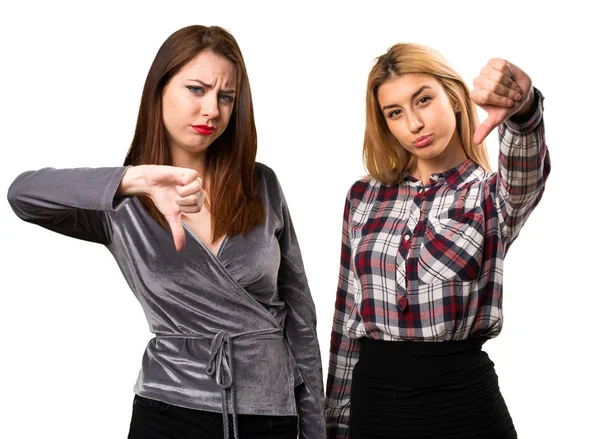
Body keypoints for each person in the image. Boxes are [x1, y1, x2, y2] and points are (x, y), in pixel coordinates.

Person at [7, 25, 325, 439]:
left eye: (225, 96)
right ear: (159, 89)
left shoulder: (261, 184)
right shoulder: (119, 203)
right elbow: (22, 195)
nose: (212, 109)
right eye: (196, 89)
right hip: (168, 409)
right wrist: (132, 180)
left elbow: (300, 317)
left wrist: (317, 427)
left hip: (267, 411)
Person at [324, 42, 550, 438]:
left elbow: (524, 169)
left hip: (463, 408)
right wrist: (334, 421)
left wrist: (523, 109)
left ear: (455, 97)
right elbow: (347, 320)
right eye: (395, 113)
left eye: (423, 100)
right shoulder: (364, 197)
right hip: (374, 409)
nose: (413, 124)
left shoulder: (491, 197)